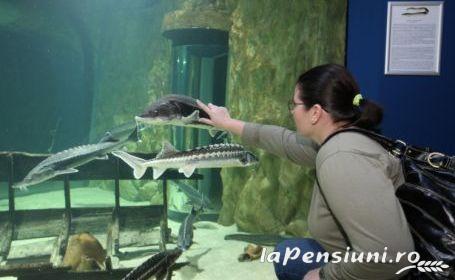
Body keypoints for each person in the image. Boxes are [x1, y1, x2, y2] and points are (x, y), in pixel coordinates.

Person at [196, 64, 414, 280]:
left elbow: (393, 257)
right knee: (288, 252)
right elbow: (282, 140)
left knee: (290, 259)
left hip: (385, 272)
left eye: (295, 104)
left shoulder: (342, 158)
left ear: (315, 112)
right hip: (356, 257)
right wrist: (227, 123)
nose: (291, 111)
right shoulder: (342, 138)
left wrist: (324, 275)